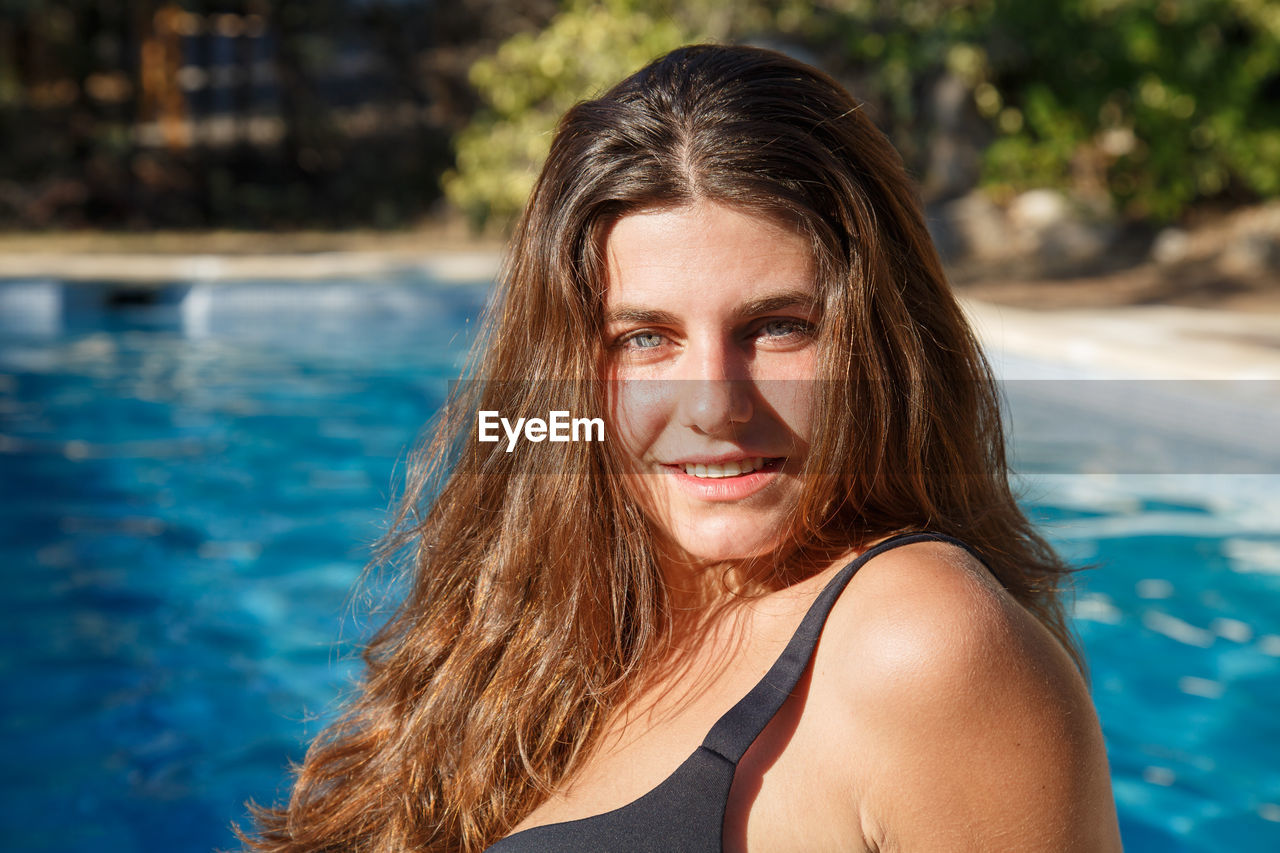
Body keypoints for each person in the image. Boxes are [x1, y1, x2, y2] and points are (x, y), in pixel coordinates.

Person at [243, 44, 1122, 852]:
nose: (713, 405)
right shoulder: (546, 632)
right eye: (644, 338)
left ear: (883, 346)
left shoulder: (921, 645)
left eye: (778, 327)